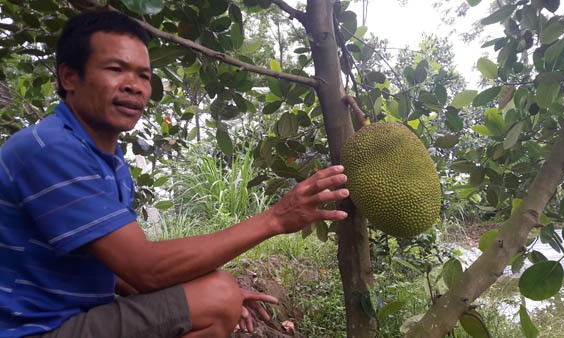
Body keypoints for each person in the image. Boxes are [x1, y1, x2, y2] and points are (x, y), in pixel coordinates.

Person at [0, 11, 349, 338]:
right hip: (32, 329)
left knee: (215, 292)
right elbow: (144, 268)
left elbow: (117, 269)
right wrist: (276, 219)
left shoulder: (108, 158)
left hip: (73, 317)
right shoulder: (48, 149)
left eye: (143, 76)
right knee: (217, 295)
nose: (134, 86)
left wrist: (200, 293)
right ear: (69, 77)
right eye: (115, 69)